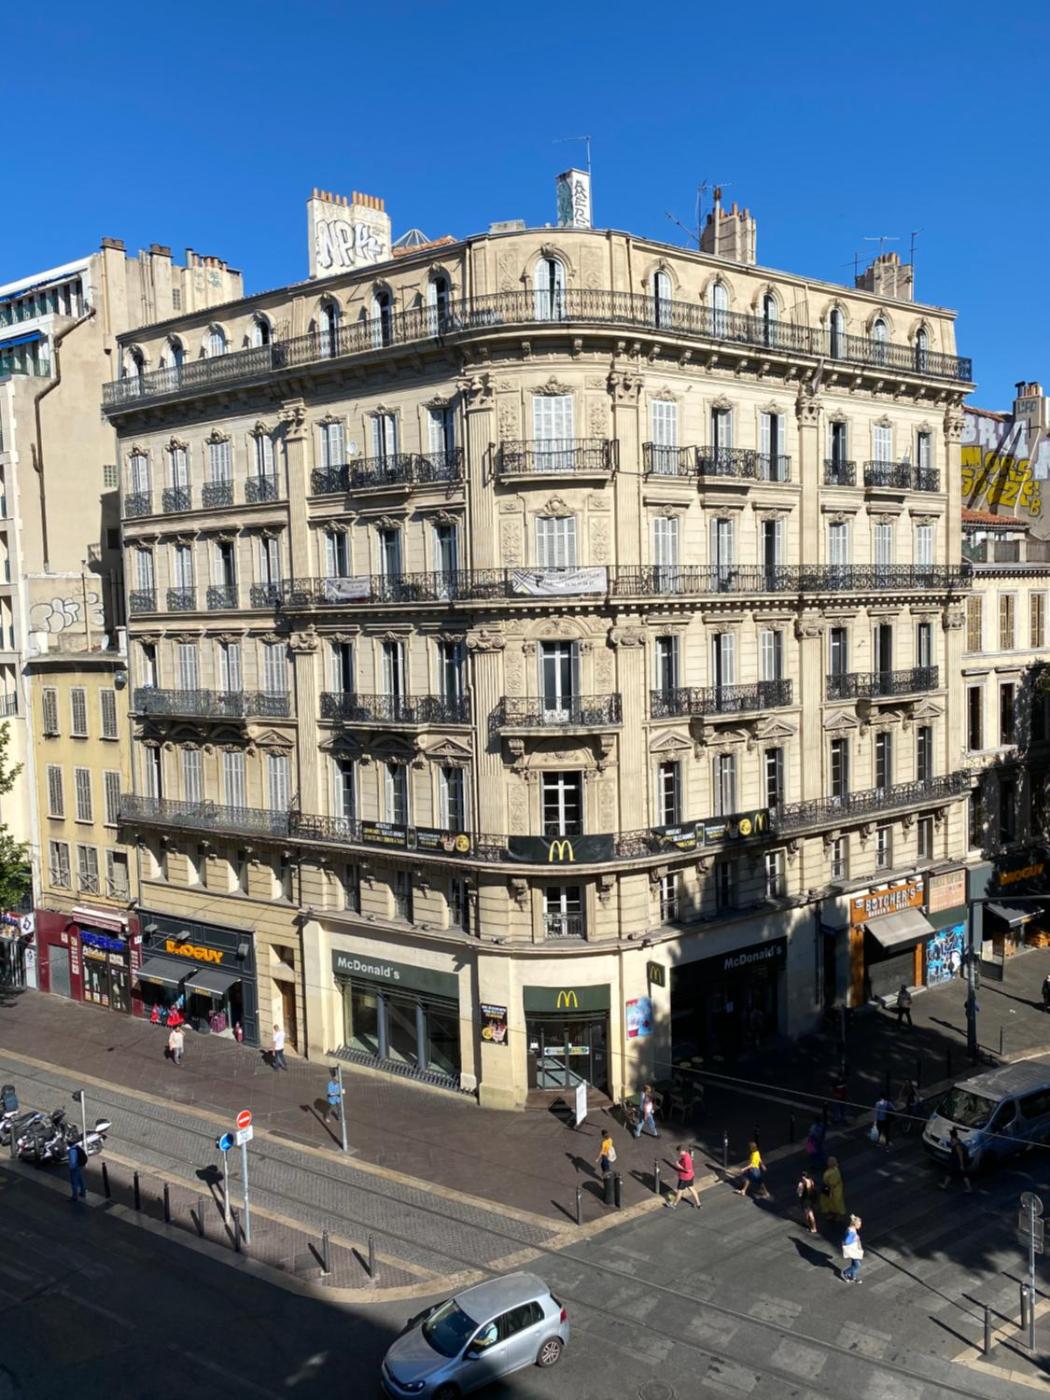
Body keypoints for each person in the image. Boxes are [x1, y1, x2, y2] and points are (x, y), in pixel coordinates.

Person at [665, 1143, 700, 1209]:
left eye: (679, 1152)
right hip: (690, 1176)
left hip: (684, 1178)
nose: (678, 1153)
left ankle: (674, 1204)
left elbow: (688, 1170)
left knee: (680, 1191)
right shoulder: (686, 1155)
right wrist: (680, 1162)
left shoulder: (686, 1159)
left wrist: (679, 1166)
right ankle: (698, 1204)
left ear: (682, 1151)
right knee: (691, 1188)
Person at [940, 1127, 973, 1192]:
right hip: (955, 1161)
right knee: (954, 1174)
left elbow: (960, 1154)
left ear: (952, 1135)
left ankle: (969, 1188)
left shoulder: (957, 1144)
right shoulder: (956, 1140)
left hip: (957, 1162)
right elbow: (952, 1145)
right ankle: (945, 1185)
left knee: (959, 1174)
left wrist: (962, 1165)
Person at [840, 1214, 864, 1283]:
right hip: (852, 1249)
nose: (860, 1226)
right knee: (857, 1265)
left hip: (853, 1249)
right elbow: (847, 1241)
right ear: (855, 1224)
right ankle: (845, 1273)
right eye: (859, 1225)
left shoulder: (851, 1228)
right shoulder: (851, 1231)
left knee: (854, 1263)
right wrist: (855, 1238)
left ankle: (853, 1276)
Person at [821, 1156, 846, 1222]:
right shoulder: (833, 1170)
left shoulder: (833, 1172)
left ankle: (838, 1214)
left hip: (833, 1188)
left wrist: (830, 1190)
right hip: (829, 1187)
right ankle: (832, 1213)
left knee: (836, 1201)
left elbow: (831, 1182)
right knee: (828, 1201)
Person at [68, 1138, 87, 1204]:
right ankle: (83, 1192)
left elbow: (73, 1162)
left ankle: (74, 1196)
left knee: (74, 1182)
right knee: (80, 1179)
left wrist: (71, 1169)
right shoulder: (78, 1148)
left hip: (75, 1168)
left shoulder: (72, 1151)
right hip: (80, 1166)